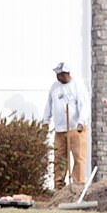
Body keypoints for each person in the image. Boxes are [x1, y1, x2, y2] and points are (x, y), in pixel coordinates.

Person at [43, 62, 90, 190]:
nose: (58, 76)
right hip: (60, 130)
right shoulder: (54, 87)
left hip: (75, 128)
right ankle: (59, 186)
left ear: (66, 74)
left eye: (60, 74)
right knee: (59, 158)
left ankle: (78, 185)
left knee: (78, 158)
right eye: (57, 74)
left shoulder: (77, 86)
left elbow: (84, 105)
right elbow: (49, 105)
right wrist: (45, 121)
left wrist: (81, 121)